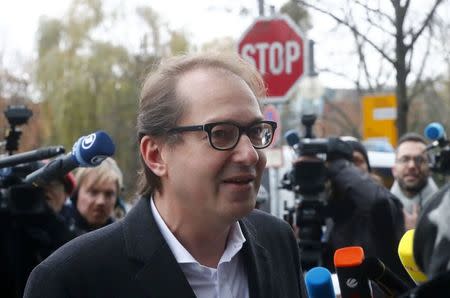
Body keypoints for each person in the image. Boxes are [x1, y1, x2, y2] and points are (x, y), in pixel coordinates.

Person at [25, 52, 307, 298]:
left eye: (256, 132)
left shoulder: (277, 240)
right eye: (221, 134)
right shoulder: (70, 281)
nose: (250, 154)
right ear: (156, 155)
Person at [61, 157, 124, 236]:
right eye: (93, 192)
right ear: (76, 194)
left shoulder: (122, 237)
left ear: (117, 200)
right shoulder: (54, 229)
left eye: (108, 194)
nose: (101, 201)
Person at [391, 133, 438, 230]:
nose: (412, 165)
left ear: (430, 169)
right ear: (394, 169)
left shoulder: (445, 209)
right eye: (405, 159)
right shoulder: (380, 210)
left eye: (419, 160)